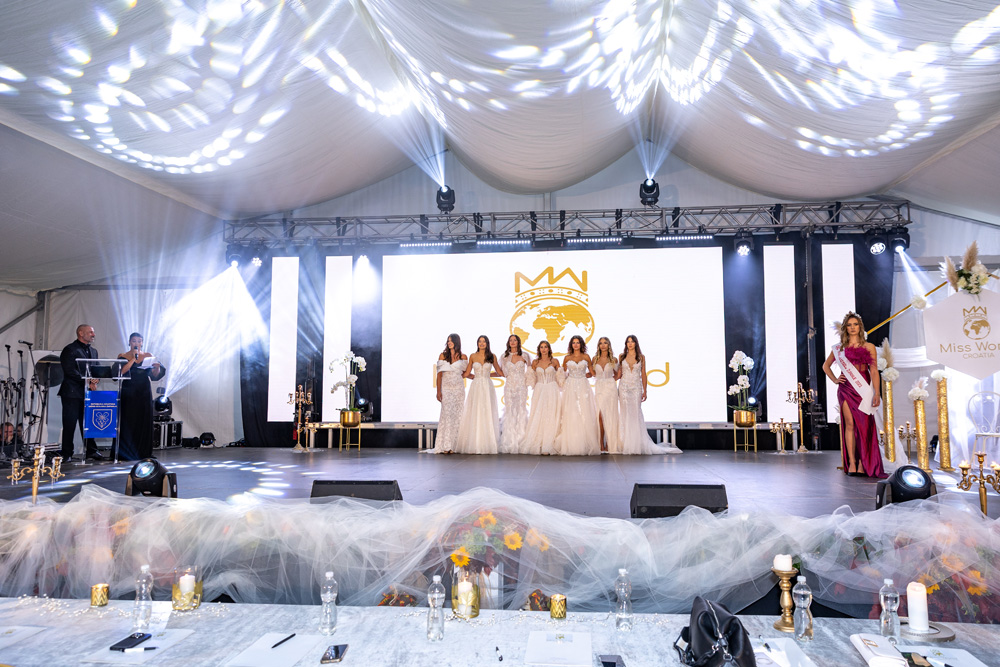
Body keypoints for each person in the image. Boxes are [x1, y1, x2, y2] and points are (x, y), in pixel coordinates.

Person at [822, 312, 885, 478]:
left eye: (855, 324)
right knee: (849, 424)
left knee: (863, 426)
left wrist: (877, 392)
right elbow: (825, 366)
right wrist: (835, 379)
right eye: (849, 325)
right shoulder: (839, 348)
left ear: (860, 327)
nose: (852, 328)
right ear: (845, 328)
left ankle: (864, 463)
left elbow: (874, 371)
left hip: (864, 388)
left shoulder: (869, 346)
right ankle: (852, 462)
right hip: (846, 388)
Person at [619, 335, 681, 455]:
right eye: (628, 342)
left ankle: (637, 444)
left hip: (636, 388)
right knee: (625, 414)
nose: (630, 344)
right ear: (626, 344)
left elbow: (643, 374)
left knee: (636, 414)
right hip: (623, 388)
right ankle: (626, 444)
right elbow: (619, 374)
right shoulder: (622, 356)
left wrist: (645, 391)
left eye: (632, 341)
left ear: (636, 343)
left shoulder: (641, 357)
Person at [115, 333, 166, 461]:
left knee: (143, 420)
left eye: (139, 341)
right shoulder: (122, 356)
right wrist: (133, 359)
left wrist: (156, 369)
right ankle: (126, 452)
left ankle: (143, 451)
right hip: (128, 390)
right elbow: (120, 372)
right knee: (128, 420)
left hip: (143, 390)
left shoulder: (148, 356)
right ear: (129, 342)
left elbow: (154, 376)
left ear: (142, 343)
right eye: (134, 341)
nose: (136, 343)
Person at [58, 324, 103, 462]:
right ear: (81, 333)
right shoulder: (70, 349)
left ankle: (91, 451)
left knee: (88, 422)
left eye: (93, 332)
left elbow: (97, 369)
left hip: (87, 393)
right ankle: (67, 453)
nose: (93, 335)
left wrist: (96, 379)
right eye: (90, 332)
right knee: (69, 423)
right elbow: (70, 371)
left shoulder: (93, 351)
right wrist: (88, 380)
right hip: (71, 393)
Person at [456, 335, 503, 454]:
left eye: (484, 341)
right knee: (475, 411)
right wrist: (455, 373)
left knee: (487, 411)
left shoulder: (492, 356)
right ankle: (475, 443)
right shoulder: (472, 356)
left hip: (487, 386)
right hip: (476, 386)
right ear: (477, 343)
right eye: (480, 341)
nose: (482, 343)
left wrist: (512, 372)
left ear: (487, 343)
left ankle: (487, 443)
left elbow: (499, 372)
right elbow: (467, 373)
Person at [557, 335, 601, 456]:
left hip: (583, 385)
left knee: (584, 411)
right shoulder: (567, 358)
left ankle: (585, 442)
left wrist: (601, 369)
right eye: (574, 343)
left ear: (581, 344)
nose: (576, 345)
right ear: (571, 345)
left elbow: (592, 373)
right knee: (571, 411)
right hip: (570, 386)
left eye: (578, 342)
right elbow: (562, 373)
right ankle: (571, 442)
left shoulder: (586, 357)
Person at [426, 334, 467, 455]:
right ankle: (446, 445)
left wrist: (479, 377)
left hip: (459, 389)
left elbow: (465, 373)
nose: (449, 343)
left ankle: (455, 445)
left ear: (456, 342)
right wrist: (438, 391)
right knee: (447, 415)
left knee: (458, 416)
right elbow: (439, 375)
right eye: (448, 341)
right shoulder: (443, 356)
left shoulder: (463, 357)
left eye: (451, 341)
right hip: (446, 388)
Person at [523, 341, 562, 455]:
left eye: (545, 347)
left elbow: (560, 377)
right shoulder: (535, 362)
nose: (544, 349)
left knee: (551, 414)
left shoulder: (555, 361)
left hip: (552, 389)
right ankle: (539, 442)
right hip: (539, 390)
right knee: (539, 414)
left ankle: (549, 443)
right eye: (541, 347)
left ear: (549, 349)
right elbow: (531, 378)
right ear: (539, 349)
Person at [499, 334, 531, 455]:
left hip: (521, 387)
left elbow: (531, 371)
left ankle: (521, 441)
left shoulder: (525, 356)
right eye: (510, 340)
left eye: (515, 340)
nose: (512, 342)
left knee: (521, 410)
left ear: (518, 342)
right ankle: (509, 442)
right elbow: (502, 373)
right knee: (510, 411)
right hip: (509, 387)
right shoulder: (504, 357)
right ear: (508, 343)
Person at [592, 336, 623, 454]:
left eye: (605, 343)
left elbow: (618, 374)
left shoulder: (613, 359)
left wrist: (610, 380)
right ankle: (601, 444)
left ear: (608, 345)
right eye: (601, 343)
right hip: (599, 387)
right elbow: (592, 373)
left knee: (610, 415)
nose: (603, 345)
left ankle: (610, 444)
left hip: (610, 388)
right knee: (600, 415)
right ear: (598, 346)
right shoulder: (595, 359)